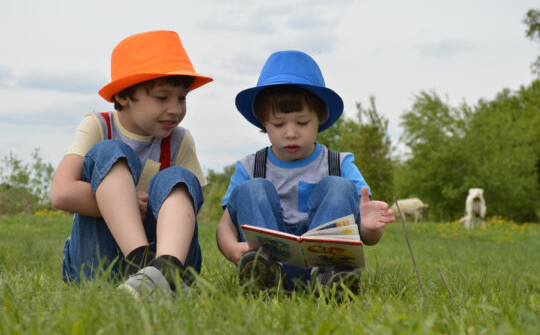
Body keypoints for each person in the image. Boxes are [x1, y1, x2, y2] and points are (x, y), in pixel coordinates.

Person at [50, 30, 212, 297]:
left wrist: (159, 205)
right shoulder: (99, 126)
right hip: (99, 262)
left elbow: (190, 203)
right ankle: (145, 267)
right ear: (124, 96)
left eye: (182, 98)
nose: (175, 108)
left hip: (168, 253)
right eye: (162, 97)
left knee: (178, 178)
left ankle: (165, 270)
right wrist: (124, 204)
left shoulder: (180, 140)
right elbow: (62, 192)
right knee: (109, 152)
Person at [216, 50, 395, 291]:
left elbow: (367, 236)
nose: (291, 133)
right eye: (278, 124)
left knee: (339, 186)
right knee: (252, 189)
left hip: (324, 262)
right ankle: (263, 276)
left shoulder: (339, 164)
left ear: (320, 118)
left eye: (302, 123)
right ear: (263, 122)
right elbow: (225, 225)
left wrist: (368, 229)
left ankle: (330, 279)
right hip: (270, 261)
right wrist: (232, 249)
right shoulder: (250, 167)